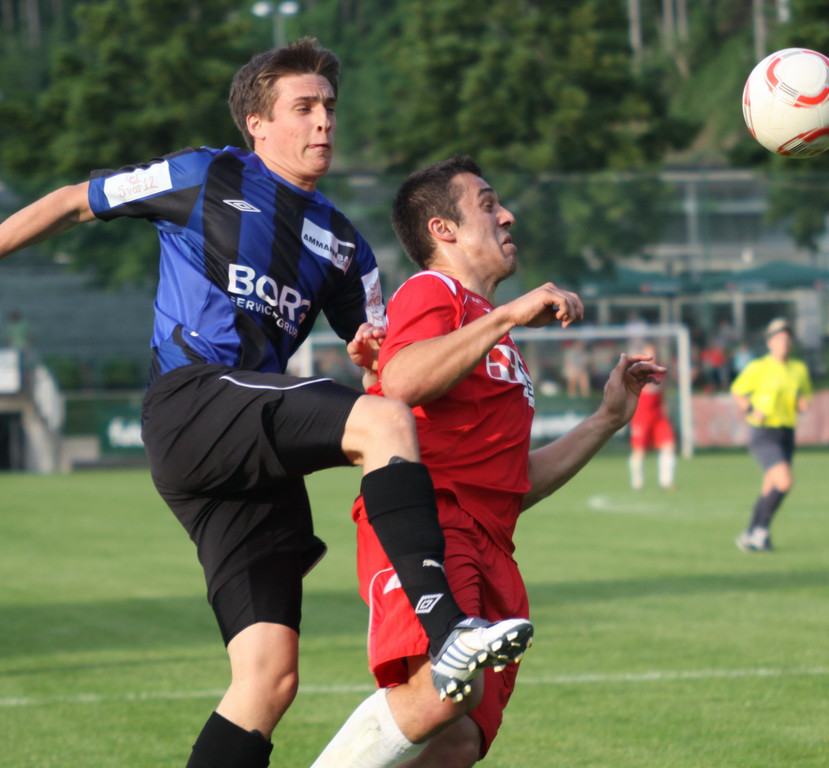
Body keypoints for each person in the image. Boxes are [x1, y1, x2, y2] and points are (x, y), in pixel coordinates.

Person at [0, 40, 529, 768]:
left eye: (329, 107)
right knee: (381, 424)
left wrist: (370, 352)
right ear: (257, 123)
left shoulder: (345, 246)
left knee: (268, 679)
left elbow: (387, 364)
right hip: (192, 402)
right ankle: (447, 629)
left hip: (250, 453)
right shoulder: (203, 175)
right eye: (303, 108)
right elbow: (70, 202)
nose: (323, 122)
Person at [309, 155, 665, 768]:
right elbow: (401, 382)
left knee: (460, 742)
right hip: (432, 527)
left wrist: (606, 418)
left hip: (492, 544)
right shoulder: (433, 290)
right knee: (445, 695)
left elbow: (514, 485)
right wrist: (507, 315)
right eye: (488, 204)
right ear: (442, 230)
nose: (507, 215)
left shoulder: (487, 330)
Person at [730, 317, 812, 552]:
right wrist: (750, 409)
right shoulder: (759, 367)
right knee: (785, 481)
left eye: (787, 339)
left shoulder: (798, 368)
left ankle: (755, 534)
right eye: (779, 339)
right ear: (770, 343)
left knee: (770, 487)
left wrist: (802, 403)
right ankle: (755, 533)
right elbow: (737, 390)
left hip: (786, 432)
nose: (783, 343)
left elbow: (805, 395)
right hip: (764, 432)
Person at [628, 342, 677, 490]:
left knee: (669, 444)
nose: (652, 357)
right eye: (648, 354)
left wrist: (665, 406)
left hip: (658, 415)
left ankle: (666, 481)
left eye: (653, 354)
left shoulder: (660, 370)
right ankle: (637, 480)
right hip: (642, 415)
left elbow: (662, 391)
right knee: (639, 450)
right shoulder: (637, 372)